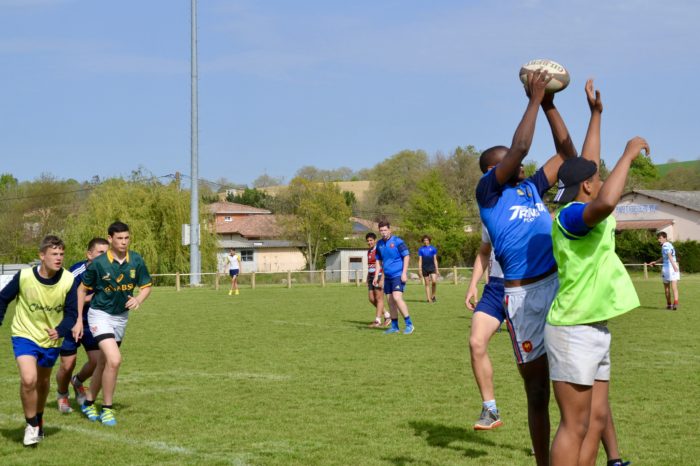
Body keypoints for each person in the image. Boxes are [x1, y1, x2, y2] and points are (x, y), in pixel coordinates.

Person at [475, 68, 577, 465]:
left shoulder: (531, 187)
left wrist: (549, 105)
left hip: (557, 286)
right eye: (508, 163)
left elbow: (568, 155)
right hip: (523, 299)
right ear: (491, 171)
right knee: (538, 393)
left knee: (574, 381)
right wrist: (532, 99)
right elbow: (518, 147)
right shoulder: (488, 194)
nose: (519, 163)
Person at [545, 79, 643, 466]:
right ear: (586, 186)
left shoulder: (577, 197)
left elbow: (589, 165)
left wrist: (596, 115)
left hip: (594, 325)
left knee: (596, 420)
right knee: (574, 425)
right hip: (572, 329)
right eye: (596, 177)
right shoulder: (571, 215)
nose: (601, 178)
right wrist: (629, 155)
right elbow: (603, 201)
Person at [0, 235, 79, 446]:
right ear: (41, 256)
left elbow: (72, 313)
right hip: (24, 334)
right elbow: (2, 298)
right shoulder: (24, 276)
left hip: (50, 339)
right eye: (54, 253)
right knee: (28, 379)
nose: (59, 257)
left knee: (43, 383)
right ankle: (31, 424)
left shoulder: (69, 280)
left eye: (61, 253)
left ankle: (39, 417)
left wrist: (60, 330)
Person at [76, 221, 152, 426]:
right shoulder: (99, 263)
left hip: (120, 317)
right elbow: (82, 290)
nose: (124, 242)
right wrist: (77, 320)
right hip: (99, 315)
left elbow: (146, 286)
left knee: (104, 363)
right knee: (115, 360)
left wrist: (138, 299)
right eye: (119, 238)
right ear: (110, 239)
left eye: (127, 238)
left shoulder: (136, 259)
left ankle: (89, 402)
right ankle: (107, 409)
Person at [54, 237, 109, 414]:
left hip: (93, 322)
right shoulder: (74, 273)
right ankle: (62, 395)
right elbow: (64, 301)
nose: (105, 256)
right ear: (89, 254)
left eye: (107, 252)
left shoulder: (108, 271)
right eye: (101, 252)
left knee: (97, 361)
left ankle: (77, 382)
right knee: (67, 364)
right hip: (71, 321)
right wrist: (90, 298)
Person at [465, 224, 505, 430]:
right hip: (495, 288)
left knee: (531, 365)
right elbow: (484, 251)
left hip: (526, 286)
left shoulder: (530, 207)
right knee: (476, 342)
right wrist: (473, 284)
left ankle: (540, 432)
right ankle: (490, 410)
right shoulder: (489, 213)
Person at [373, 221, 414, 335]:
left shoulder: (397, 241)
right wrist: (376, 275)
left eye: (385, 230)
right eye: (381, 230)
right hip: (388, 277)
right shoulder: (380, 244)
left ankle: (409, 324)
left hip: (398, 275)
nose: (383, 232)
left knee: (396, 297)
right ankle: (394, 327)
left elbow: (406, 255)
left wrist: (404, 273)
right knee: (390, 301)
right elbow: (378, 261)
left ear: (390, 230)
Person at [646, 231, 680, 310]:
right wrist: (655, 262)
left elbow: (669, 255)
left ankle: (669, 305)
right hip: (673, 265)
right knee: (674, 287)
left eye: (660, 238)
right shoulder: (670, 244)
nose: (659, 240)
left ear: (665, 238)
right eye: (658, 238)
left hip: (668, 267)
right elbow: (665, 257)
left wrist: (673, 266)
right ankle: (675, 303)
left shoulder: (664, 246)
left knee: (667, 287)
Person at [366, 232, 391, 328]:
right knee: (371, 299)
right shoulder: (369, 251)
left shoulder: (379, 250)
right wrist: (368, 276)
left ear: (375, 240)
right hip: (371, 277)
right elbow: (370, 265)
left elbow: (384, 264)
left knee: (379, 298)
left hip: (379, 276)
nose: (369, 242)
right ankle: (387, 315)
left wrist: (382, 279)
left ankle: (377, 321)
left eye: (371, 240)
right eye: (368, 241)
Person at [418, 235, 440, 303]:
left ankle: (433, 296)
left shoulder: (433, 249)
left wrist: (437, 269)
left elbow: (435, 259)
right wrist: (419, 269)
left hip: (432, 267)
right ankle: (428, 299)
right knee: (427, 284)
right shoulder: (421, 249)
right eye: (424, 240)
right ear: (423, 241)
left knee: (434, 281)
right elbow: (420, 260)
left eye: (427, 240)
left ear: (429, 241)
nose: (425, 241)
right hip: (424, 268)